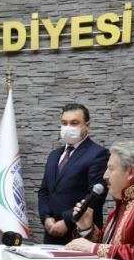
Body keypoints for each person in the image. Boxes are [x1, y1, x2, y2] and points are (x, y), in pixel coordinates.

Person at [37, 103, 109, 244]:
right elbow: (44, 191)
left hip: (80, 234)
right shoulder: (54, 155)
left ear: (87, 126)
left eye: (74, 123)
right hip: (51, 234)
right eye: (64, 123)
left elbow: (96, 196)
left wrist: (67, 221)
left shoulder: (98, 154)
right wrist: (46, 217)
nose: (68, 127)